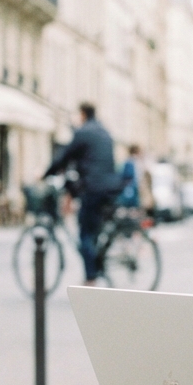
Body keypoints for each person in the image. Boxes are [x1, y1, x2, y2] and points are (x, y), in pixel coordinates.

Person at [43, 102, 121, 286]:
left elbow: (65, 156)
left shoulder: (83, 132)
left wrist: (47, 173)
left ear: (83, 114)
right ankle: (96, 262)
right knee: (93, 230)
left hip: (93, 187)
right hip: (110, 187)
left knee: (84, 233)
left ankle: (91, 276)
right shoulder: (104, 131)